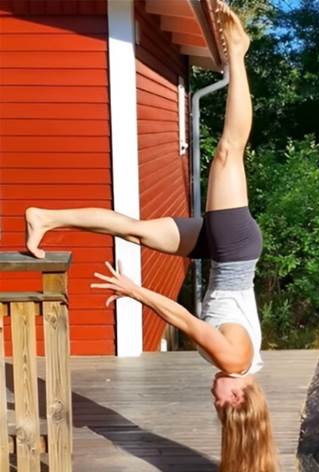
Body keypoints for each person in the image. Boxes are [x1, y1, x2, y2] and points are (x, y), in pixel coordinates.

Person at [24, 4, 276, 471]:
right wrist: (134, 291)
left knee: (135, 229)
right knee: (228, 152)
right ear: (238, 397)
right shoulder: (234, 357)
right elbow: (182, 317)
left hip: (219, 255)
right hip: (233, 250)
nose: (215, 401)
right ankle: (240, 55)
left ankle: (45, 217)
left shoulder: (238, 369)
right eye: (223, 406)